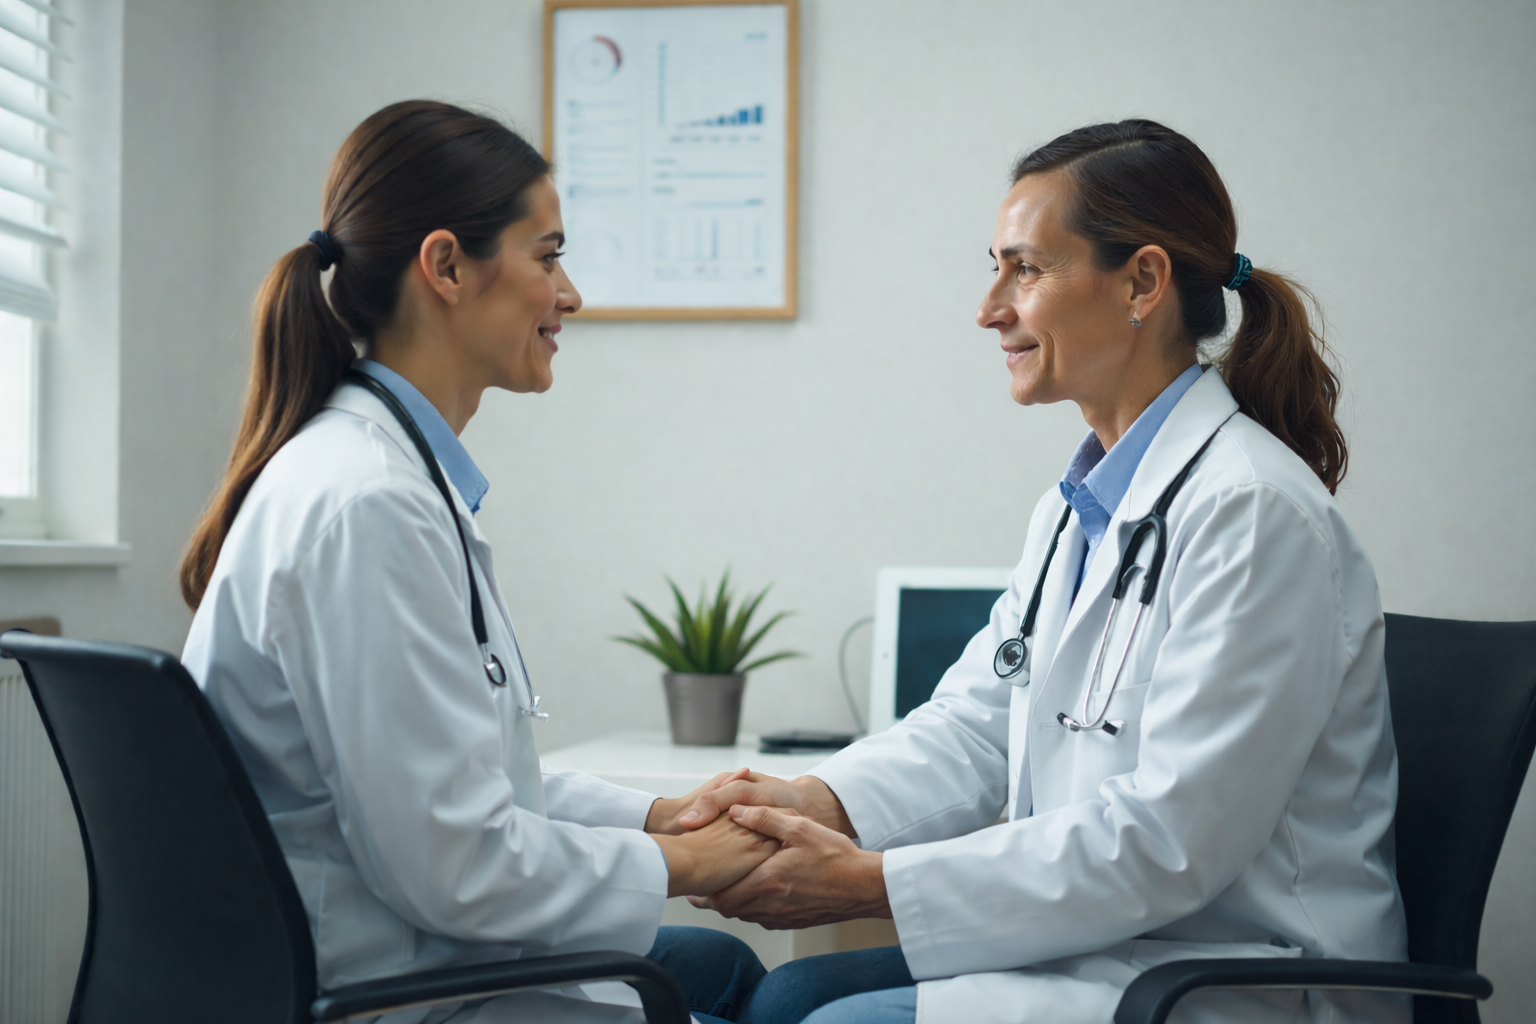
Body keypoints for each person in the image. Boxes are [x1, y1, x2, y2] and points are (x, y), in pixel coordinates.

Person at [678, 120, 1408, 1024]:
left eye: (1025, 269)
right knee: (788, 993)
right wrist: (816, 800)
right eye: (997, 267)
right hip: (1110, 948)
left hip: (1236, 976)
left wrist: (874, 883)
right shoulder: (1079, 506)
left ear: (1143, 280)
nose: (990, 308)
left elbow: (1173, 841)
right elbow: (979, 724)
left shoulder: (1254, 511)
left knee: (821, 1019)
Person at [179, 100, 779, 1024]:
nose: (569, 295)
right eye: (548, 256)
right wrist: (683, 865)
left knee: (724, 971)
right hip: (395, 991)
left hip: (382, 945)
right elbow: (453, 864)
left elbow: (468, 782)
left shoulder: (380, 473)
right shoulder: (368, 504)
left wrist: (656, 819)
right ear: (448, 266)